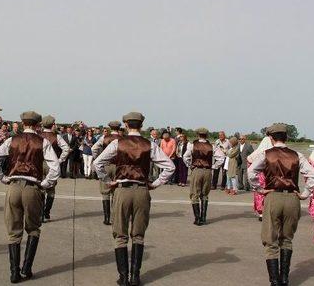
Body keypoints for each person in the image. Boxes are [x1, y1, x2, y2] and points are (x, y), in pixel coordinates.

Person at [94, 112, 174, 286]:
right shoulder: (149, 145)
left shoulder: (118, 143)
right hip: (142, 190)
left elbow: (97, 163)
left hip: (122, 190)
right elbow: (170, 166)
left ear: (126, 125)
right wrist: (156, 183)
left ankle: (123, 277)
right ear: (141, 125)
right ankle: (135, 276)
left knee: (120, 234)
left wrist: (108, 181)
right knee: (138, 235)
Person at [0, 111, 60, 284]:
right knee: (33, 228)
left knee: (14, 232)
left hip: (13, 186)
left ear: (22, 123)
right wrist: (45, 183)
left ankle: (14, 272)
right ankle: (26, 268)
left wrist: (3, 178)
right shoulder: (42, 142)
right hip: (32, 187)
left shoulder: (12, 140)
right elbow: (55, 168)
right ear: (37, 125)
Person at [248, 123, 314, 286]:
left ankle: (274, 281)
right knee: (287, 239)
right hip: (292, 198)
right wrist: (305, 193)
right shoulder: (297, 155)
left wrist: (259, 189)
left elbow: (252, 172)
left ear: (271, 138)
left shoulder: (267, 154)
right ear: (286, 137)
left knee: (270, 240)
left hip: (273, 196)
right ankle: (284, 278)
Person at [183, 128, 224, 226]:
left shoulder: (192, 145)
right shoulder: (212, 146)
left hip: (196, 170)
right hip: (208, 171)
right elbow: (221, 158)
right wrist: (213, 166)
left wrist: (190, 165)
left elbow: (185, 157)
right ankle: (203, 218)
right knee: (205, 194)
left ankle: (197, 219)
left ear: (198, 134)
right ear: (207, 135)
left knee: (194, 194)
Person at [39, 115, 71, 222]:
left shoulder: (38, 135)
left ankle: (40, 214)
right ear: (53, 125)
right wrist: (59, 160)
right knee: (51, 190)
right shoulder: (57, 137)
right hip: (51, 165)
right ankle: (46, 212)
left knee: (40, 189)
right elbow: (66, 149)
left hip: (39, 164)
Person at [92, 121, 123, 225]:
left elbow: (94, 148)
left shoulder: (104, 138)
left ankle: (106, 218)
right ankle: (115, 217)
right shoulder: (123, 139)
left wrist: (97, 158)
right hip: (119, 167)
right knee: (116, 193)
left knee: (105, 192)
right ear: (119, 128)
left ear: (110, 128)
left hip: (106, 165)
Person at [247, 134, 274, 221]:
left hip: (259, 177)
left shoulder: (256, 153)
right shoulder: (272, 154)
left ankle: (261, 212)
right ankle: (269, 211)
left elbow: (249, 161)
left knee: (259, 194)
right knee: (269, 194)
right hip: (269, 177)